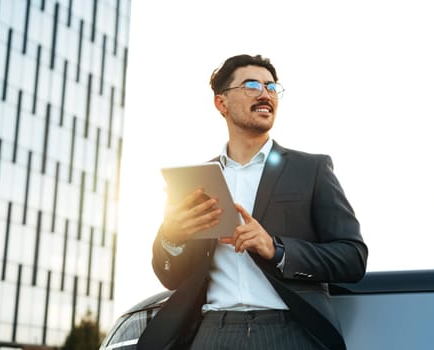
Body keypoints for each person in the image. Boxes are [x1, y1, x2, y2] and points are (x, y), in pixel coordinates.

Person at [137, 54, 368, 350]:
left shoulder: (311, 170)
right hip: (212, 333)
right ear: (221, 103)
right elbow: (169, 276)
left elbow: (352, 257)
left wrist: (277, 249)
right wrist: (173, 237)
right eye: (251, 85)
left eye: (272, 87)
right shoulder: (193, 183)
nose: (264, 93)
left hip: (291, 332)